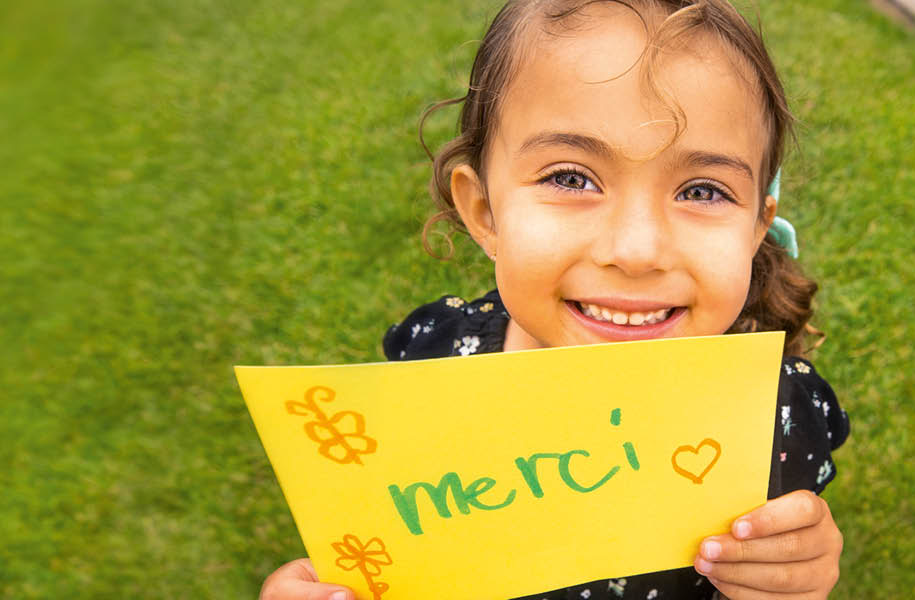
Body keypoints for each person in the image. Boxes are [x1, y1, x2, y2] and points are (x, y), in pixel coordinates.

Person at [260, 1, 849, 598]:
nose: (636, 250)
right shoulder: (435, 360)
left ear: (756, 226)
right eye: (570, 178)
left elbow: (774, 568)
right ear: (484, 212)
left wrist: (791, 579)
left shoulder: (773, 422)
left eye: (701, 191)